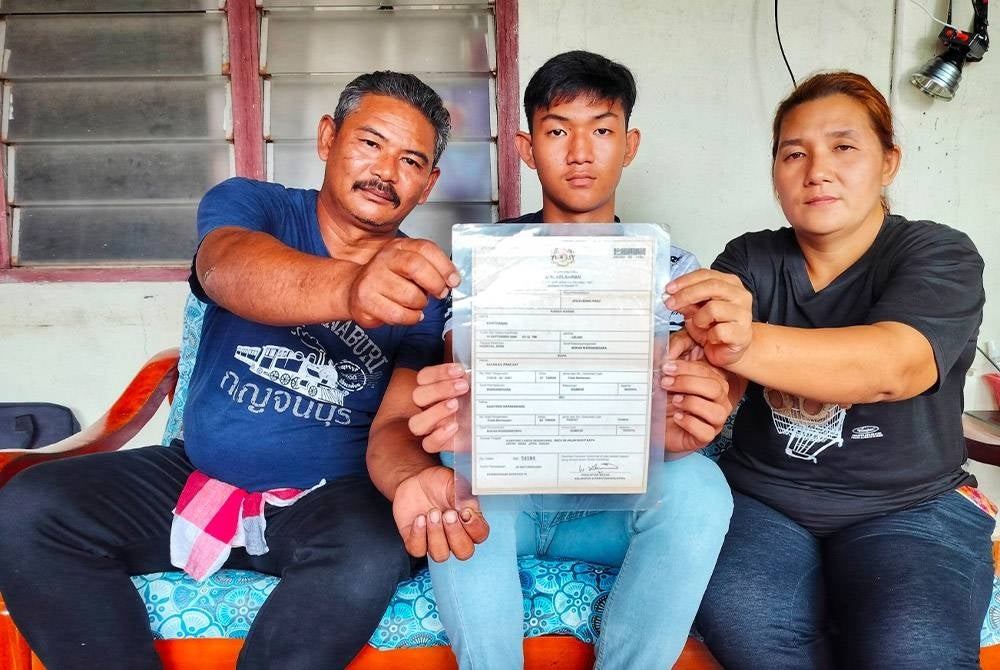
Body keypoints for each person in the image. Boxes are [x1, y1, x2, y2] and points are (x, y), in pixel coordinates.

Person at [0, 71, 487, 670]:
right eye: (369, 142)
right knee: (27, 508)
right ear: (328, 137)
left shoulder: (426, 285)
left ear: (429, 183)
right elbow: (227, 270)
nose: (386, 170)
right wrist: (354, 287)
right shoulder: (253, 204)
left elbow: (393, 427)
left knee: (374, 548)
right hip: (194, 472)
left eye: (411, 159)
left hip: (331, 501)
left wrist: (412, 475)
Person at [368, 51, 734, 670]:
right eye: (558, 130)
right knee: (458, 463)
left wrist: (688, 386)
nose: (581, 152)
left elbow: (682, 402)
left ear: (630, 143)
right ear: (527, 147)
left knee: (701, 487)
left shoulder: (675, 270)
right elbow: (468, 368)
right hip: (505, 499)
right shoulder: (483, 260)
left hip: (611, 505)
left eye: (602, 130)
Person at [665, 71, 993, 669]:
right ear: (775, 173)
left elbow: (897, 364)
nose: (817, 170)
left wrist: (736, 345)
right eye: (795, 153)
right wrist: (697, 390)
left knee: (911, 649)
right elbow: (717, 375)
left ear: (889, 162)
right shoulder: (750, 258)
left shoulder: (937, 252)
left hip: (911, 505)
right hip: (764, 501)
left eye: (844, 147)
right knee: (744, 619)